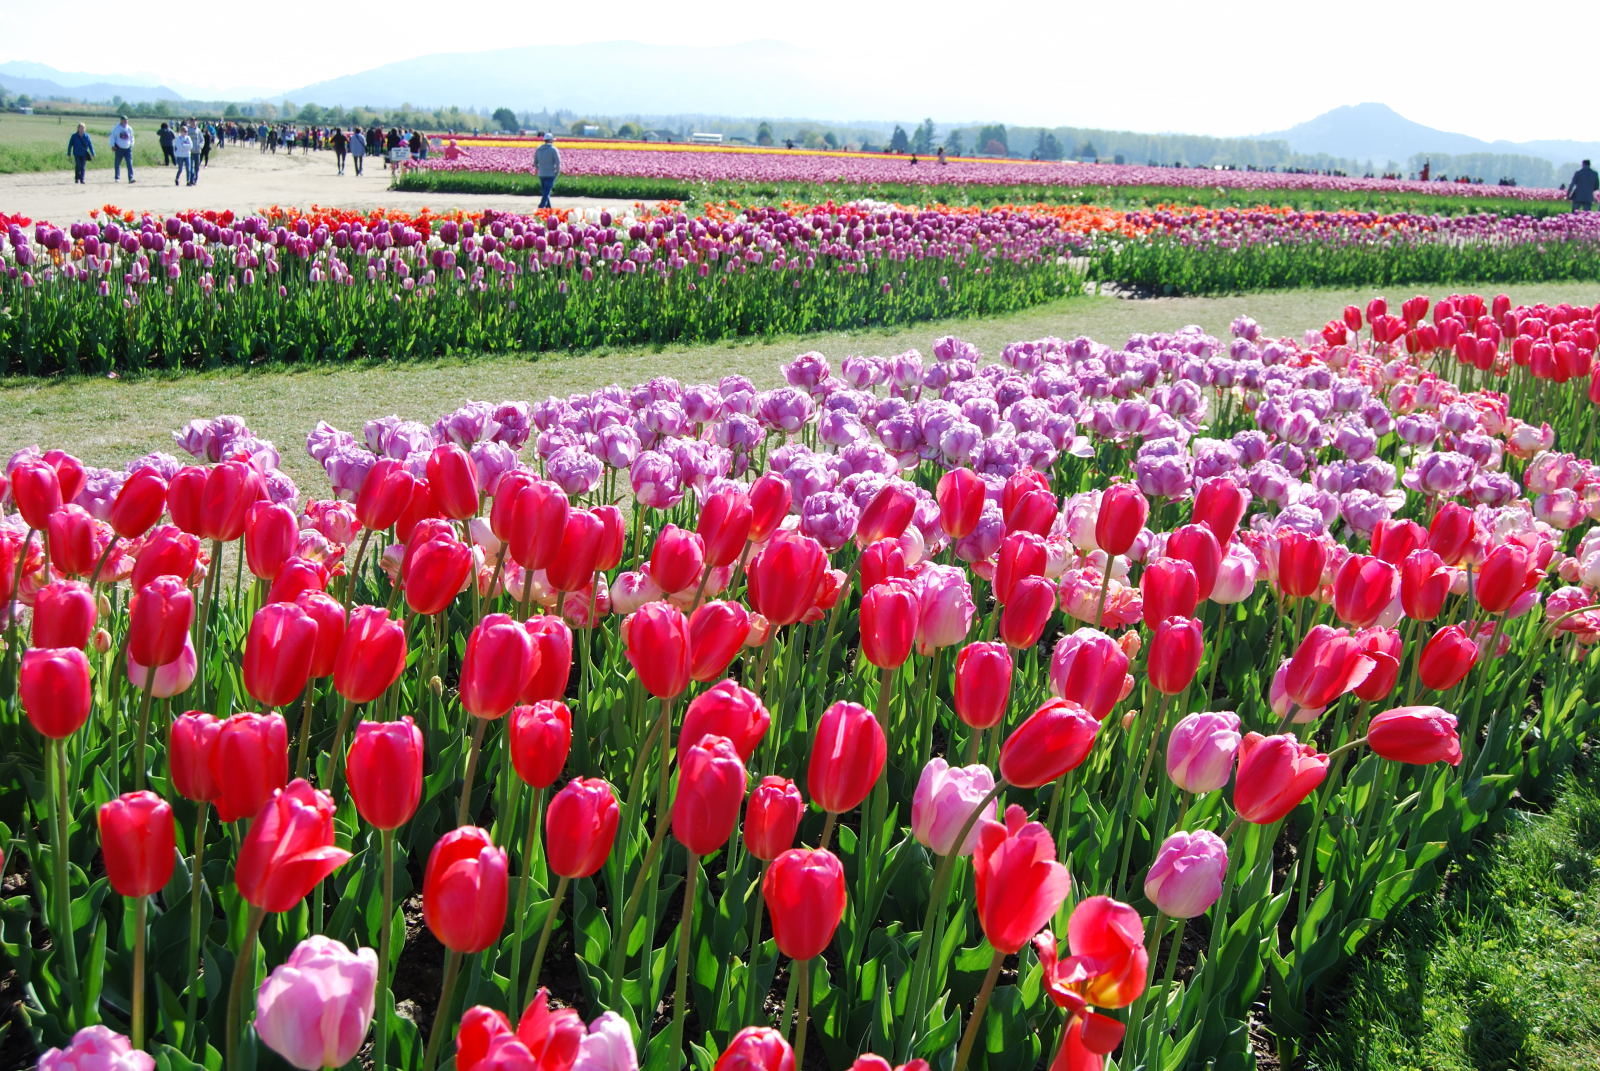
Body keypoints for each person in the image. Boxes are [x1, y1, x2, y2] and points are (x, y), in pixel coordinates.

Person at [535, 132, 560, 208]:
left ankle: (548, 208)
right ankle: (541, 206)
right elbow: (558, 162)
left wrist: (539, 169)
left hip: (541, 174)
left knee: (545, 191)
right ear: (551, 140)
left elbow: (535, 162)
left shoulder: (539, 149)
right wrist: (557, 172)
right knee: (547, 191)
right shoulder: (553, 150)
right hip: (550, 173)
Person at [109, 115, 136, 182]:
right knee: (117, 163)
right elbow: (112, 137)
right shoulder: (116, 128)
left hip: (127, 149)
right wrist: (112, 145)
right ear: (121, 120)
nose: (125, 121)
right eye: (124, 120)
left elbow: (132, 137)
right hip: (119, 148)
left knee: (129, 163)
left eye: (126, 120)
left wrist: (131, 144)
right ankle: (117, 177)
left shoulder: (129, 128)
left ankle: (131, 178)